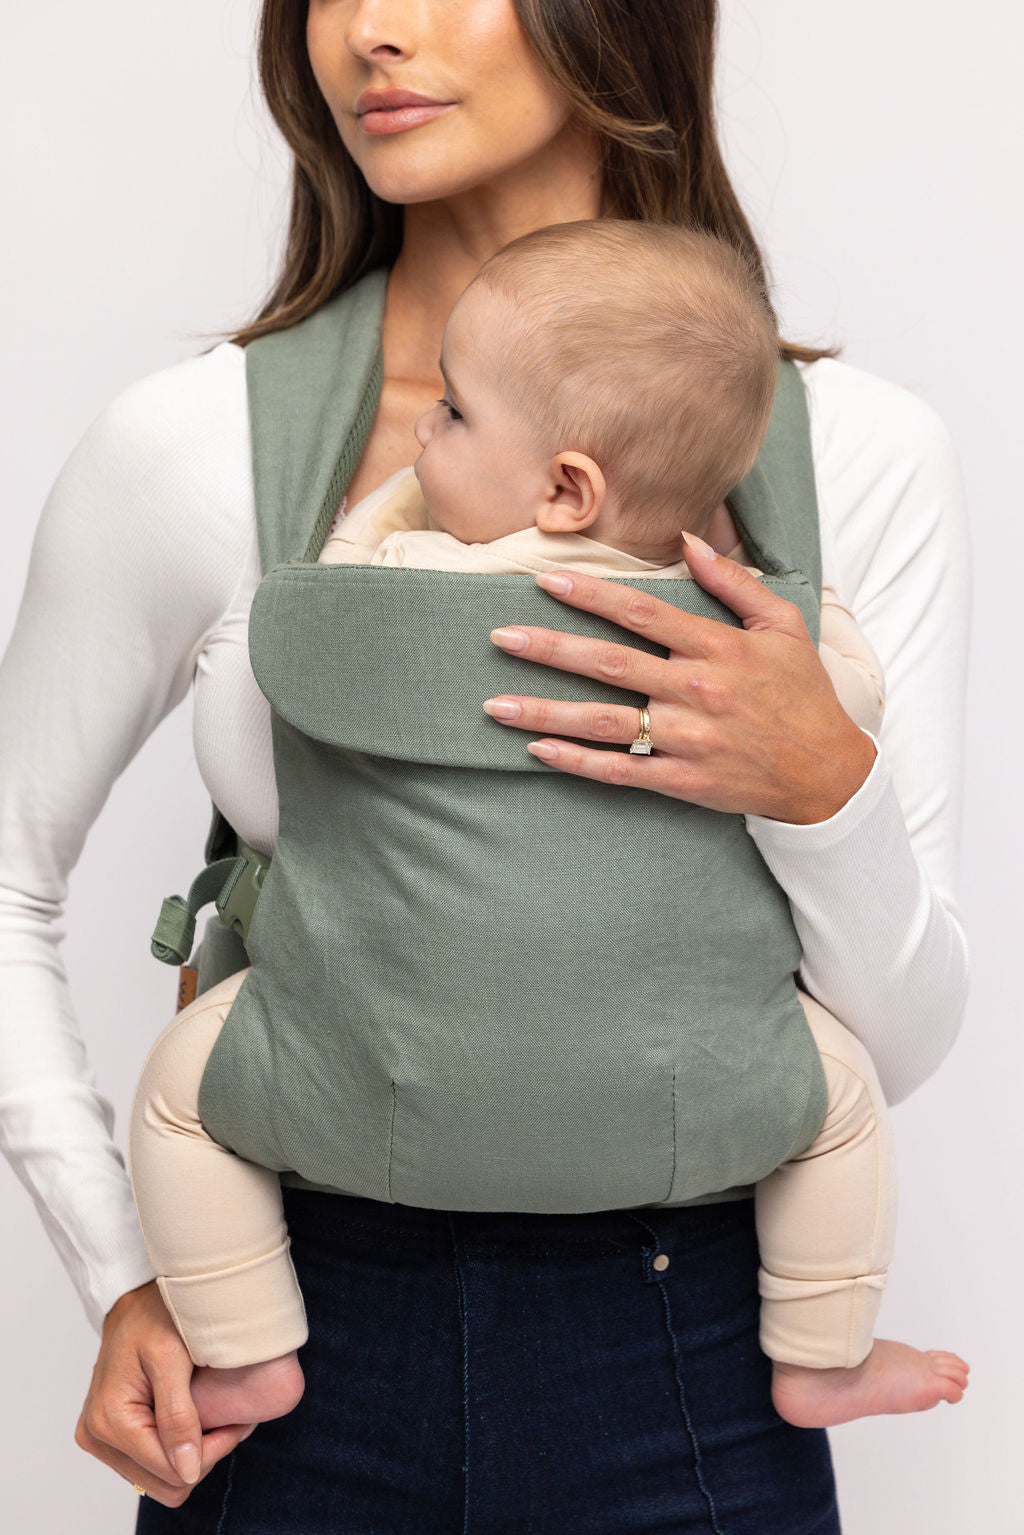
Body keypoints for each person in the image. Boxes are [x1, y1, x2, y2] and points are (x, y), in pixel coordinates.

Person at [0, 2, 969, 1528]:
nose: (371, 32)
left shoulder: (856, 450)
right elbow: (7, 880)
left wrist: (821, 783)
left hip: (700, 1354)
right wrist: (124, 1271)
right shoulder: (195, 449)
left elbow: (894, 1047)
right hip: (300, 1349)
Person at [127, 219, 967, 1443]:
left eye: (453, 415)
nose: (425, 428)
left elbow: (288, 695)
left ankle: (247, 1351)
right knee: (839, 1105)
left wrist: (386, 505)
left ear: (565, 484)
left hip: (367, 1082)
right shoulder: (749, 651)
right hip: (682, 1109)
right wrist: (810, 615)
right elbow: (853, 704)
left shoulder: (392, 575)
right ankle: (821, 1353)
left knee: (179, 1095)